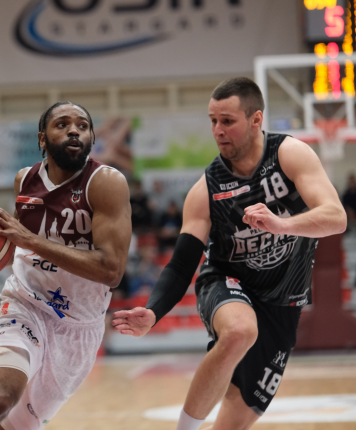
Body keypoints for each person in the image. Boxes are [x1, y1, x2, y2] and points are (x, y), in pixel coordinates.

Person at [112, 77, 347, 430]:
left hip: (283, 302)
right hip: (227, 282)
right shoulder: (206, 189)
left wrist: (282, 225)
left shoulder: (289, 154)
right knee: (239, 331)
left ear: (256, 119)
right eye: (213, 120)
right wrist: (154, 311)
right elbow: (181, 265)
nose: (218, 130)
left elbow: (336, 217)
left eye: (227, 120)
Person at [0, 101, 132, 430]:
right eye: (62, 124)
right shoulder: (25, 180)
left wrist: (31, 241)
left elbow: (111, 271)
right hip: (25, 304)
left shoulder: (106, 182)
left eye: (82, 125)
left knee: (12, 426)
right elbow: (16, 243)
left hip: (78, 326)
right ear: (42, 139)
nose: (74, 130)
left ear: (92, 138)